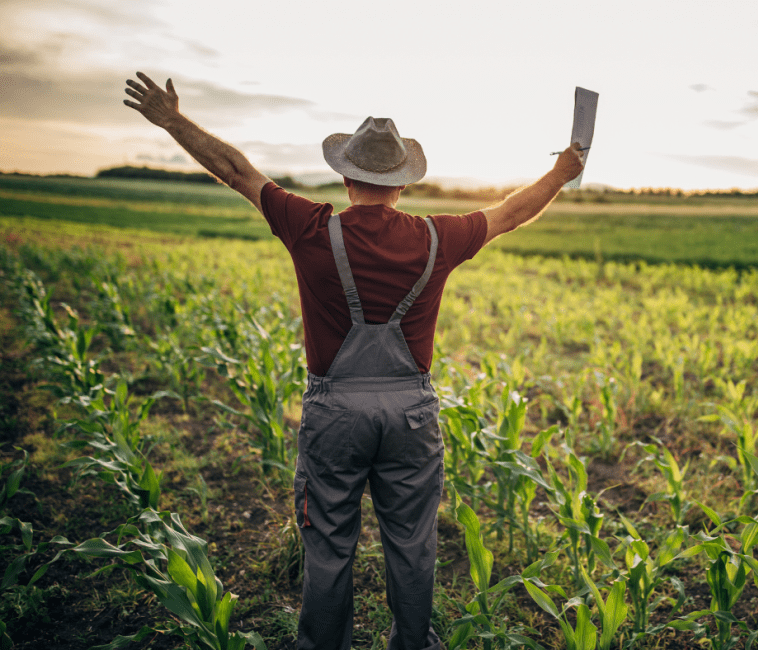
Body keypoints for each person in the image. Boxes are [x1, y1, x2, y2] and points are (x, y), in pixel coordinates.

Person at [123, 71, 585, 650]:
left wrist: (172, 121)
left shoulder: (309, 227)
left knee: (328, 543)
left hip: (335, 413)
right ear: (402, 184)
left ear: (345, 177)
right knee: (413, 542)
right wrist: (561, 173)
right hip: (411, 415)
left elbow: (238, 171)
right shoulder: (437, 238)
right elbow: (512, 213)